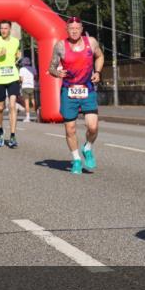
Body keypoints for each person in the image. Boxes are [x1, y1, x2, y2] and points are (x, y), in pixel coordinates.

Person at [48, 16, 104, 175]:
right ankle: (77, 159)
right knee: (70, 128)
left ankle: (87, 147)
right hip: (69, 90)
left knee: (93, 126)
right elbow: (51, 67)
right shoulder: (60, 46)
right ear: (67, 30)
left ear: (82, 29)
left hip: (87, 89)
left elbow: (99, 56)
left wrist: (98, 72)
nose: (74, 31)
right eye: (71, 28)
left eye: (77, 28)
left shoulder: (91, 42)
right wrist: (57, 73)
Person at [19, 57, 36, 122]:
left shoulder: (22, 69)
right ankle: (36, 115)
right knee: (33, 100)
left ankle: (28, 117)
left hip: (25, 86)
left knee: (26, 102)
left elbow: (21, 79)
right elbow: (35, 76)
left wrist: (19, 82)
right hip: (31, 86)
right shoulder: (33, 69)